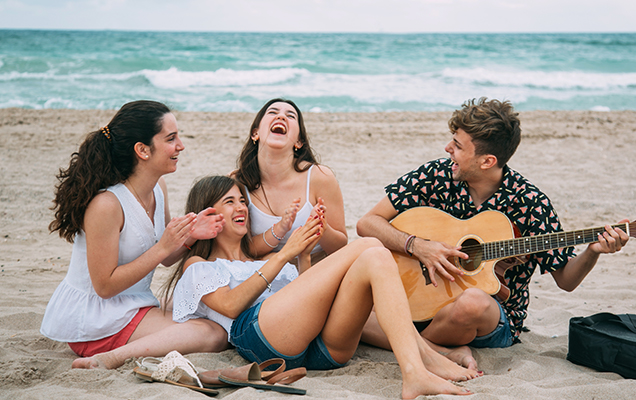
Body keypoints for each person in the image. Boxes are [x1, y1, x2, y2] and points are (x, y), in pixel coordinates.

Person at [162, 175, 479, 399]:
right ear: (208, 212)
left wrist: (302, 258)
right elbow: (231, 306)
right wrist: (286, 252)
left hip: (319, 349)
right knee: (367, 243)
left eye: (242, 201)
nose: (241, 208)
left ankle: (419, 364)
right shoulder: (199, 266)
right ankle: (420, 367)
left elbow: (304, 305)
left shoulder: (265, 259)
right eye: (229, 202)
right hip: (257, 338)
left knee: (375, 258)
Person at [357, 97, 629, 356]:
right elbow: (367, 223)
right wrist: (418, 246)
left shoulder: (531, 203)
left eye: (458, 146)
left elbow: (567, 281)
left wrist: (593, 251)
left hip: (488, 319)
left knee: (472, 302)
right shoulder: (436, 175)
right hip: (421, 299)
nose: (447, 149)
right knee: (348, 302)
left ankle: (408, 342)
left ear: (487, 161)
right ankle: (435, 350)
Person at [40, 100, 229, 369]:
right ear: (142, 150)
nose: (181, 146)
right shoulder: (107, 205)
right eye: (171, 138)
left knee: (212, 308)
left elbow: (164, 258)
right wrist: (163, 247)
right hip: (96, 319)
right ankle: (109, 358)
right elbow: (104, 286)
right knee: (213, 334)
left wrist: (189, 237)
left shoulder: (157, 188)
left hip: (134, 304)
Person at [233, 98, 347, 263]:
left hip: (314, 272)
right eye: (273, 112)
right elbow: (240, 249)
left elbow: (340, 248)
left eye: (291, 116)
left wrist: (321, 228)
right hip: (264, 275)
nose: (281, 117)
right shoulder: (238, 183)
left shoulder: (320, 176)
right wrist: (278, 230)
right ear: (255, 133)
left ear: (299, 142)